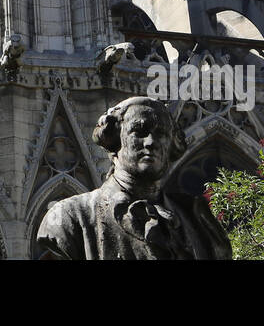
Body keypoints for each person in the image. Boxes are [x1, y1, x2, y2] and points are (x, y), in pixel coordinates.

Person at [36, 96, 232, 259]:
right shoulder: (69, 219)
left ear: (173, 144)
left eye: (161, 133)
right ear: (113, 139)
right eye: (139, 131)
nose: (151, 142)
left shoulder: (199, 221)